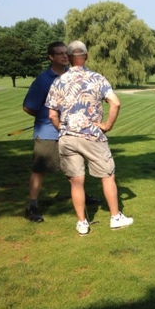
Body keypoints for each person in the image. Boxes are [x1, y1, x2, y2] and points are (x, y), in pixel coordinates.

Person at [45, 40, 133, 236]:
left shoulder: (58, 81)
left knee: (76, 181)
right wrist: (107, 126)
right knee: (107, 176)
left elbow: (52, 115)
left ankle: (82, 223)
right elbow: (115, 103)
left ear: (68, 57)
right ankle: (115, 217)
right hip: (92, 136)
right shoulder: (97, 79)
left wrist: (63, 129)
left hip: (67, 138)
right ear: (86, 56)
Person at [23, 41, 100, 223]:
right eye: (59, 54)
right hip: (48, 132)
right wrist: (44, 116)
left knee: (74, 168)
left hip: (69, 130)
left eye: (66, 53)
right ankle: (32, 206)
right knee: (40, 169)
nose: (65, 56)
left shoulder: (71, 76)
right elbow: (28, 107)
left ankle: (82, 196)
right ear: (51, 57)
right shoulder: (43, 80)